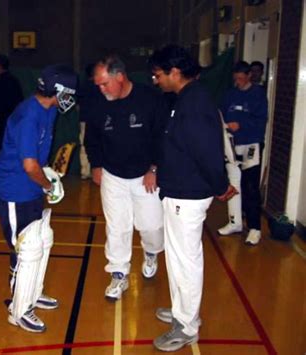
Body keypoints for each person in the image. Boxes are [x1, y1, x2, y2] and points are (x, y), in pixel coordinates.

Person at [148, 45, 236, 352]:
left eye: (158, 74)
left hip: (189, 196)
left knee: (186, 261)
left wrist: (220, 185)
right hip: (177, 193)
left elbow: (207, 152)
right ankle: (181, 310)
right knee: (176, 259)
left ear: (174, 72)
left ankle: (186, 325)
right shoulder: (183, 99)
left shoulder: (195, 103)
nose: (155, 80)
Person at [0, 64, 78, 333]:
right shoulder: (28, 116)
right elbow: (29, 166)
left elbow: (37, 160)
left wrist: (48, 173)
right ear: (57, 90)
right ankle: (18, 310)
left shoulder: (49, 109)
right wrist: (48, 186)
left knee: (42, 239)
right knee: (25, 249)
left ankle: (32, 293)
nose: (71, 99)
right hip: (14, 190)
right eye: (69, 93)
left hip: (29, 186)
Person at [85, 54, 166, 301]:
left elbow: (162, 137)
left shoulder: (150, 99)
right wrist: (96, 165)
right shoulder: (99, 103)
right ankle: (119, 273)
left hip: (145, 175)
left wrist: (154, 169)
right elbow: (92, 138)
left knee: (151, 227)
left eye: (104, 83)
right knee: (117, 227)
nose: (100, 89)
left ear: (120, 77)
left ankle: (151, 252)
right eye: (97, 84)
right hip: (113, 175)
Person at [217, 61, 268, 245]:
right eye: (235, 78)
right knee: (233, 183)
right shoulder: (230, 95)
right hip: (232, 145)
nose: (237, 81)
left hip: (250, 144)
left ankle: (255, 228)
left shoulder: (258, 94)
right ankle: (234, 222)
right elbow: (221, 114)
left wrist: (242, 125)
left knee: (251, 187)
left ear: (248, 76)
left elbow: (261, 120)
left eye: (240, 78)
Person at [0, 54, 24, 157]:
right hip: (15, 123)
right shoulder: (14, 81)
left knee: (1, 152)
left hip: (2, 124)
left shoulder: (0, 82)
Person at [77, 63, 104, 179]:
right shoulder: (100, 86)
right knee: (100, 144)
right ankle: (101, 171)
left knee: (84, 145)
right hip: (98, 119)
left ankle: (85, 172)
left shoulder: (83, 86)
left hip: (85, 119)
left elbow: (77, 105)